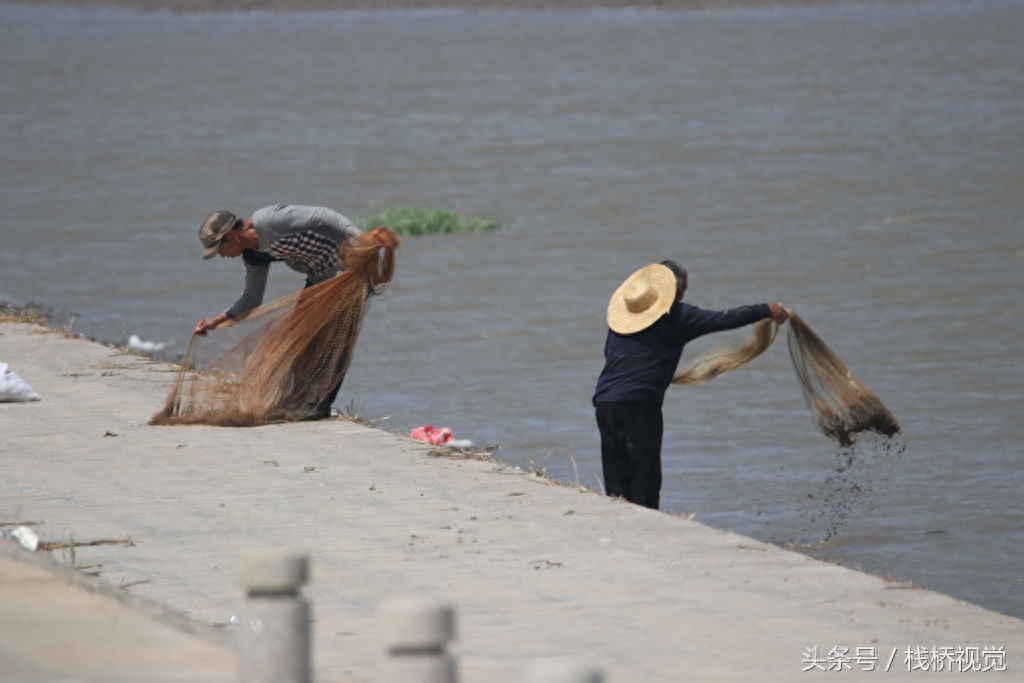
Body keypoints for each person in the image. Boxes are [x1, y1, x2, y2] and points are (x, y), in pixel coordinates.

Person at [592, 260, 789, 510]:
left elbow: (613, 357)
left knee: (617, 478)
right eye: (681, 289)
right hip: (638, 406)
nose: (683, 294)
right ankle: (646, 532)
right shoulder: (678, 317)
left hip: (605, 403)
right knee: (645, 476)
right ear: (669, 292)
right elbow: (722, 319)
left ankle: (619, 527)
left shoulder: (620, 325)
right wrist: (765, 309)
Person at [195, 204, 363, 420]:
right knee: (300, 338)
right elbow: (251, 299)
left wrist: (362, 238)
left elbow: (325, 215)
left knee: (336, 340)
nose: (221, 255)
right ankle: (302, 401)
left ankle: (319, 406)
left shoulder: (270, 220)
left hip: (349, 270)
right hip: (320, 279)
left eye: (219, 249)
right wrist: (213, 322)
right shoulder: (253, 256)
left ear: (230, 236)